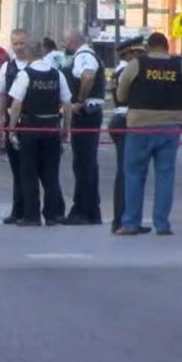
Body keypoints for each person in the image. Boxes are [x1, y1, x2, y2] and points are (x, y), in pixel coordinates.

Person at [114, 32, 182, 236]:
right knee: (165, 174)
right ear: (167, 47)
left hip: (140, 124)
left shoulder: (136, 64)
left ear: (148, 47)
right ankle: (162, 224)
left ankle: (131, 223)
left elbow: (121, 94)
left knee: (133, 174)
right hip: (171, 125)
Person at [7, 40, 72, 226]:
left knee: (29, 174)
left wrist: (12, 130)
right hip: (52, 127)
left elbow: (16, 104)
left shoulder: (25, 75)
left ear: (29, 53)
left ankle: (31, 215)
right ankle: (52, 215)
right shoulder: (57, 75)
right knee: (51, 174)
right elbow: (67, 104)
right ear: (44, 53)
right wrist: (65, 130)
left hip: (30, 129)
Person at [63, 30, 106, 225]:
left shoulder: (83, 57)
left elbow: (88, 76)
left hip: (86, 114)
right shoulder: (88, 55)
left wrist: (79, 100)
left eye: (65, 42)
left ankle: (82, 210)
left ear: (73, 41)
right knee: (87, 163)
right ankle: (91, 210)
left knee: (83, 164)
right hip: (90, 114)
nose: (64, 46)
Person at [107, 36, 145, 232]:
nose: (140, 56)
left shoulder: (120, 71)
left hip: (122, 120)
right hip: (126, 120)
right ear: (127, 54)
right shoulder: (126, 72)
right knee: (126, 173)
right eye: (137, 53)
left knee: (128, 172)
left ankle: (128, 218)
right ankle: (122, 219)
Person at [0, 29, 32, 224]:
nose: (19, 47)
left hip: (32, 123)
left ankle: (31, 210)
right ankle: (18, 210)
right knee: (17, 171)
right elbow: (0, 93)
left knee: (30, 170)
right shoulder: (7, 68)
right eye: (16, 44)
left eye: (22, 43)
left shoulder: (38, 66)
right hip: (12, 123)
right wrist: (0, 118)